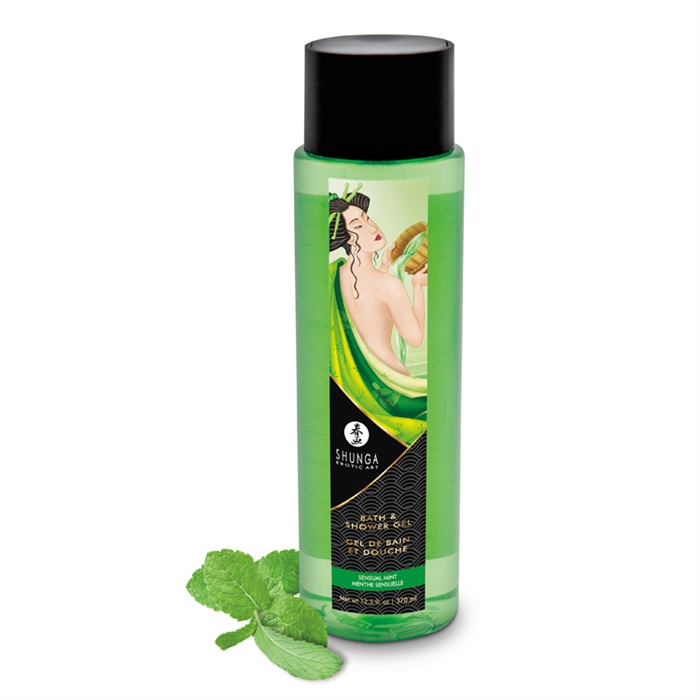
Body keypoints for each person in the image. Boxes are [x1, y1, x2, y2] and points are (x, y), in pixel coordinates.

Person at [329, 187, 427, 445]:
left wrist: (384, 265)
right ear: (348, 239)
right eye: (357, 225)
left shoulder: (335, 275)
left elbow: (366, 311)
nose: (372, 227)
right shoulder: (389, 285)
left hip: (351, 391)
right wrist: (417, 286)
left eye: (367, 217)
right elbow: (415, 337)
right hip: (396, 389)